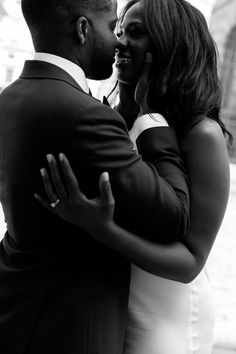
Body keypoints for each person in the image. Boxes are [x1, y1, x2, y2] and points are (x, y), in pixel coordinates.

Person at [35, 0, 231, 353]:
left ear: (170, 45)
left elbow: (190, 262)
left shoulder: (201, 135)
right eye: (120, 30)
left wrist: (102, 228)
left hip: (163, 310)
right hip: (103, 304)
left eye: (136, 33)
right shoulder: (106, 118)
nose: (120, 41)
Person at [0, 0, 190, 353]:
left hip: (17, 308)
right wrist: (153, 123)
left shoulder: (9, 98)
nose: (118, 42)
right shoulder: (84, 114)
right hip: (70, 326)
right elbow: (174, 216)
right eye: (112, 27)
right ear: (83, 30)